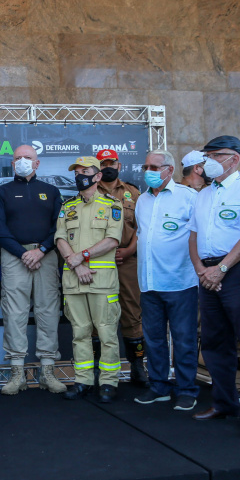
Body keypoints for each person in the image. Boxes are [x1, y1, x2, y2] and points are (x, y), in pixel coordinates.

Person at [188, 137, 240, 429]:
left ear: (234, 159)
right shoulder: (203, 194)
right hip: (207, 272)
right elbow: (194, 235)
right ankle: (224, 402)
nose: (207, 161)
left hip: (239, 270)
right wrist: (201, 269)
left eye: (214, 155)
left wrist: (222, 269)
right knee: (213, 341)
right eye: (206, 156)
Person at [0, 144, 66, 395]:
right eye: (18, 158)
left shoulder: (51, 191)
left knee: (48, 310)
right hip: (15, 256)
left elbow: (60, 227)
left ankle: (47, 372)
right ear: (12, 164)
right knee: (14, 312)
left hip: (46, 255)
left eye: (28, 157)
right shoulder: (2, 192)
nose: (22, 161)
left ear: (37, 163)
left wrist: (41, 249)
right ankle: (17, 373)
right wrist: (23, 253)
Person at [133, 149, 200, 411]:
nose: (148, 172)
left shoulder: (188, 197)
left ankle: (186, 389)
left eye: (154, 167)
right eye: (145, 167)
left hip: (180, 281)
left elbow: (198, 235)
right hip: (149, 282)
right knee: (154, 339)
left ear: (169, 170)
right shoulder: (142, 200)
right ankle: (159, 385)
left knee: (183, 339)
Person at [56, 157, 123, 403]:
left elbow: (112, 240)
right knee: (79, 332)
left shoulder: (112, 205)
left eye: (85, 171)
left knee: (106, 332)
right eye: (76, 172)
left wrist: (82, 257)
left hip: (101, 281)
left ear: (97, 176)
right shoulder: (67, 206)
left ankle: (108, 382)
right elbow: (60, 237)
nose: (79, 176)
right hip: (74, 280)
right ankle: (83, 381)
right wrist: (75, 263)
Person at [96, 149, 148, 388]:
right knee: (98, 315)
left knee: (132, 313)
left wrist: (128, 250)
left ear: (119, 165)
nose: (108, 167)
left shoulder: (132, 192)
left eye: (111, 163)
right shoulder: (89, 192)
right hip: (99, 262)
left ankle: (137, 367)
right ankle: (99, 370)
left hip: (127, 261)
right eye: (103, 163)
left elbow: (141, 227)